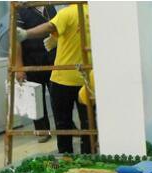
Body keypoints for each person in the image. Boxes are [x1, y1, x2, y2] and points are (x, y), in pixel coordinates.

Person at [15, 4, 93, 154]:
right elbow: (62, 30)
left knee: (64, 123)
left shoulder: (62, 11)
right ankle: (87, 157)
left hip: (62, 76)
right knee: (87, 122)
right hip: (81, 76)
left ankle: (66, 158)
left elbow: (50, 27)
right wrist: (19, 66)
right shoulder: (22, 11)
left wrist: (26, 33)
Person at [14, 4, 56, 143]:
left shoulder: (50, 6)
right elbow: (16, 41)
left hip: (53, 58)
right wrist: (19, 67)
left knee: (58, 95)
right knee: (36, 99)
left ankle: (66, 126)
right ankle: (42, 130)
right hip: (31, 60)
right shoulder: (20, 10)